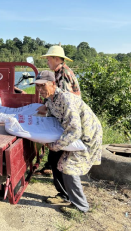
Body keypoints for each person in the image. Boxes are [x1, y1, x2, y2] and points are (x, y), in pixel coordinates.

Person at [33, 70, 102, 213]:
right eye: (37, 86)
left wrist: (55, 145)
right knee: (54, 159)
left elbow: (75, 131)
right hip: (72, 136)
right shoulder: (50, 99)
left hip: (86, 138)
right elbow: (53, 119)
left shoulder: (66, 99)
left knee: (68, 167)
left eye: (43, 86)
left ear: (53, 84)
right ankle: (64, 195)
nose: (40, 90)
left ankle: (81, 206)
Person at [36, 44, 81, 176]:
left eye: (49, 59)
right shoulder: (59, 72)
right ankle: (52, 167)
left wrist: (47, 106)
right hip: (66, 117)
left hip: (69, 118)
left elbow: (65, 100)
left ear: (57, 59)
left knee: (59, 148)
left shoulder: (63, 74)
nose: (47, 62)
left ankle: (59, 175)